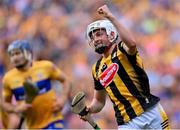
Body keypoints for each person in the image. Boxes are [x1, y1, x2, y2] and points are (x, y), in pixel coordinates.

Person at [82, 4, 170, 129]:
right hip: (127, 123)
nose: (95, 39)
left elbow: (132, 44)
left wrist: (110, 17)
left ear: (111, 34)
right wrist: (89, 109)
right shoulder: (96, 68)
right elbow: (99, 101)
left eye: (99, 34)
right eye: (92, 37)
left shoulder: (122, 50)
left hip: (151, 112)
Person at [2, 40, 71, 129]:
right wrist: (16, 109)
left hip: (53, 120)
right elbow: (5, 104)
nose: (15, 58)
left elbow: (66, 81)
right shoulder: (8, 78)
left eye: (17, 53)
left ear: (28, 53)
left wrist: (63, 99)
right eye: (12, 55)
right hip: (32, 126)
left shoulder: (45, 66)